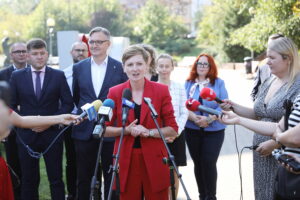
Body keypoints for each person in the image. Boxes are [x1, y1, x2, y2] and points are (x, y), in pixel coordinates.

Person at [221, 35, 300, 200]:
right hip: (261, 153)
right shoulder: (269, 81)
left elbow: (292, 125)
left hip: (282, 155)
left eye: (272, 58)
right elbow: (258, 114)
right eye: (267, 57)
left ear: (288, 59)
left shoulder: (297, 85)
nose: (267, 62)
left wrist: (274, 143)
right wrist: (234, 107)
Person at [105, 45, 178, 199]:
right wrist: (125, 130)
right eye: (130, 64)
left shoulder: (161, 91)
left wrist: (149, 132)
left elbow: (173, 129)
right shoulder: (115, 92)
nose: (135, 69)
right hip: (126, 159)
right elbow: (103, 129)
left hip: (155, 158)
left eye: (139, 64)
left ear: (147, 65)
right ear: (124, 68)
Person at [10, 39, 74, 200]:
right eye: (35, 54)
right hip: (26, 134)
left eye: (42, 53)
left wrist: (50, 122)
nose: (39, 57)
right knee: (28, 179)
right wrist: (28, 122)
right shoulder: (17, 76)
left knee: (56, 178)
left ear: (47, 54)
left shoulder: (58, 75)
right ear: (28, 56)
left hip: (51, 134)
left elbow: (67, 103)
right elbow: (10, 105)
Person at [72, 27, 127, 200]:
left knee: (111, 176)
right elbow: (76, 96)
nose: (94, 45)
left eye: (99, 42)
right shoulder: (79, 67)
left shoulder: (119, 68)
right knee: (83, 177)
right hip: (84, 131)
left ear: (108, 44)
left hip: (111, 130)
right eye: (92, 41)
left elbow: (121, 99)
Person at [220, 93, 300, 199]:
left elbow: (294, 137)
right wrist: (238, 119)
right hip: (288, 175)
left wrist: (280, 137)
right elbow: (278, 127)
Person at [184, 53, 228, 200]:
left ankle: (211, 196)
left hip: (214, 131)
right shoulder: (189, 83)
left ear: (210, 67)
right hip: (192, 129)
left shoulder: (218, 83)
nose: (202, 66)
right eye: (200, 63)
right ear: (195, 66)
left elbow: (224, 106)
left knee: (209, 162)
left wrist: (209, 119)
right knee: (198, 163)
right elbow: (182, 105)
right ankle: (202, 195)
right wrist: (195, 118)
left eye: (205, 64)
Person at [156, 53, 188, 199]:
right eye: (161, 66)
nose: (164, 69)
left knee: (174, 171)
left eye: (167, 66)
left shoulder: (179, 87)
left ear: (172, 67)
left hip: (176, 136)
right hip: (156, 137)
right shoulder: (151, 87)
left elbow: (184, 112)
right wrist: (161, 133)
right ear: (156, 68)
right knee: (158, 172)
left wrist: (175, 132)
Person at [0, 42, 29, 199]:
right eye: (17, 51)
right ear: (11, 55)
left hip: (30, 126)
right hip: (10, 129)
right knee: (14, 166)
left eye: (24, 51)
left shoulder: (34, 72)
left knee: (30, 170)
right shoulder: (2, 75)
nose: (21, 54)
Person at [63, 41, 89, 200]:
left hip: (90, 120)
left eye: (83, 50)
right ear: (71, 52)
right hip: (70, 122)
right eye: (77, 50)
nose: (80, 53)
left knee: (92, 159)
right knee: (72, 159)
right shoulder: (63, 74)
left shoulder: (91, 73)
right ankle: (72, 193)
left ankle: (93, 191)